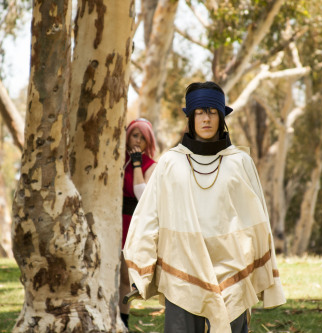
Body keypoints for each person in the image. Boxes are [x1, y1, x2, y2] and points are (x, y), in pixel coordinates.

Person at [123, 82, 286, 333]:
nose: (206, 118)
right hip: (183, 266)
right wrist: (143, 265)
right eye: (199, 112)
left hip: (233, 268)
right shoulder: (170, 162)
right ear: (190, 117)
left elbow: (258, 220)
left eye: (212, 112)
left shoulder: (240, 162)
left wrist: (262, 271)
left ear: (221, 117)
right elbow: (149, 216)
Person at [120, 118, 157, 329]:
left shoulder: (151, 166)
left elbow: (141, 194)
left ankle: (123, 323)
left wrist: (136, 164)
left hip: (132, 224)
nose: (138, 140)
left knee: (125, 279)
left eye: (143, 137)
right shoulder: (116, 158)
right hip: (112, 222)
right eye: (135, 135)